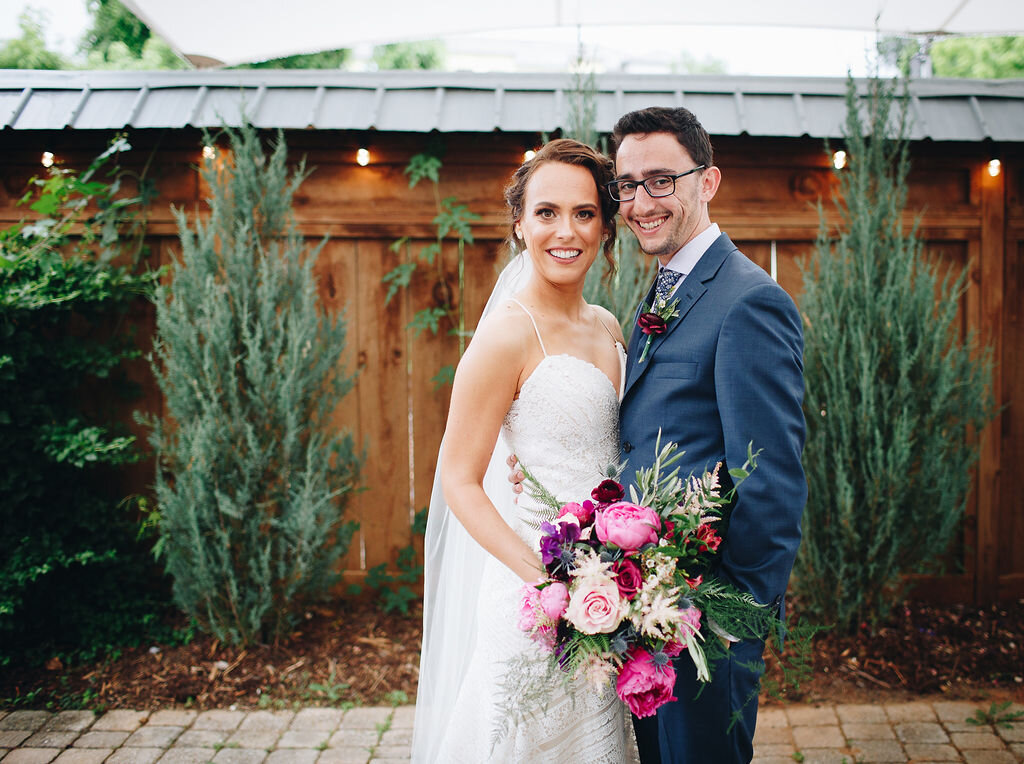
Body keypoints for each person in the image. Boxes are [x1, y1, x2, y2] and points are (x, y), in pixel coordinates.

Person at [512, 107, 807, 763]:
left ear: (708, 182)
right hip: (643, 613)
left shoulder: (748, 301)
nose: (640, 202)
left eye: (661, 181)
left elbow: (773, 482)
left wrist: (726, 623)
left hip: (703, 626)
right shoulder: (667, 287)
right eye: (627, 184)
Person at [411, 138, 637, 763]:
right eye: (547, 212)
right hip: (532, 591)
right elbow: (458, 481)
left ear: (604, 226)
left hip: (613, 587)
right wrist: (549, 580)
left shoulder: (609, 326)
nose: (566, 231)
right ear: (519, 225)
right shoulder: (505, 337)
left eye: (585, 213)